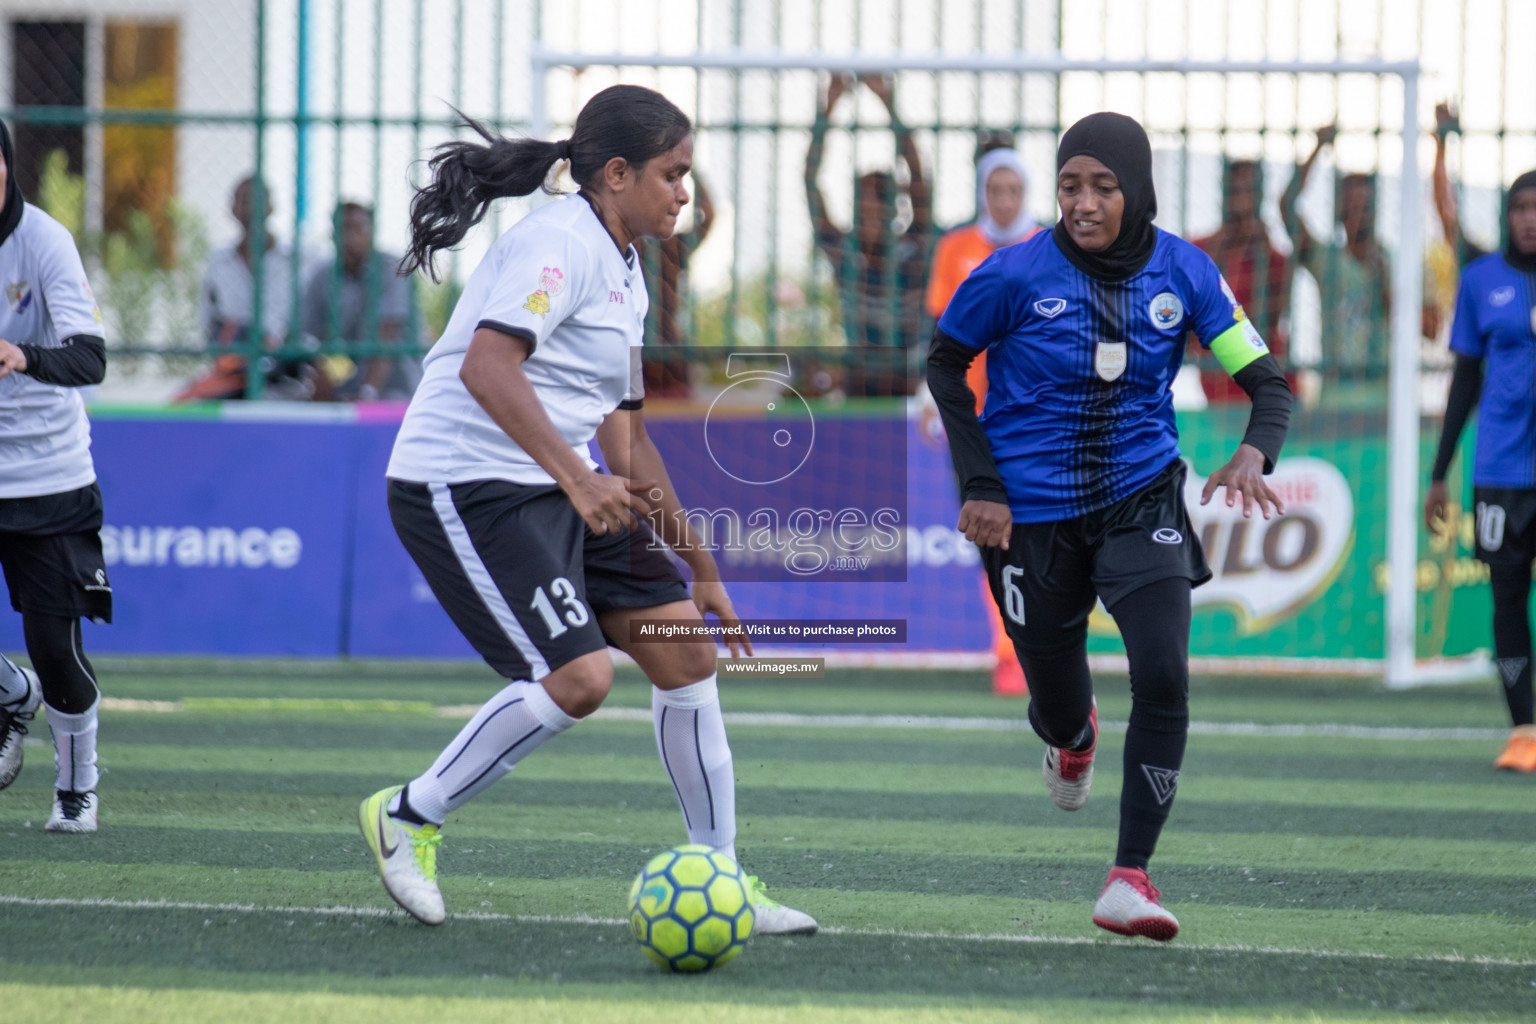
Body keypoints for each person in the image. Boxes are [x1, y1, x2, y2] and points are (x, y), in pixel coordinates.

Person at [363, 85, 817, 935]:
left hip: (557, 484)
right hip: (464, 483)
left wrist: (702, 566)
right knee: (578, 679)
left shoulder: (627, 265)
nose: (685, 191)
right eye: (673, 173)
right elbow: (487, 370)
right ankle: (409, 816)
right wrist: (575, 479)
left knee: (688, 658)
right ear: (616, 174)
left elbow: (628, 441)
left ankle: (722, 884)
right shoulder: (558, 242)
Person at [926, 112, 1292, 940]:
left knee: (1162, 671)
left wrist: (1254, 455)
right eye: (1069, 186)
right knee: (1060, 706)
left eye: (1102, 186)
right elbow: (945, 365)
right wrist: (981, 482)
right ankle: (1071, 738)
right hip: (1030, 518)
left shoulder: (1187, 273)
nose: (1083, 203)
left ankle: (1129, 877)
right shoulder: (1009, 274)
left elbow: (1268, 384)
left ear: (1138, 187)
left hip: (1141, 499)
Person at [0, 119, 113, 833]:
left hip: (47, 477)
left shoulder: (42, 241)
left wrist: (21, 356)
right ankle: (12, 692)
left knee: (57, 650)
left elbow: (90, 359)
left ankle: (77, 787)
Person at [1424, 170, 1536, 772]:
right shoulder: (1481, 280)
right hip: (1499, 473)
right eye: (1520, 207)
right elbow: (1464, 381)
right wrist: (1439, 474)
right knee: (1508, 598)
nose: (1529, 218)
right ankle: (1524, 731)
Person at [924, 145, 1040, 697]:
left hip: (1035, 415)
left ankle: (1040, 646)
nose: (1004, 199)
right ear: (981, 192)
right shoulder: (956, 248)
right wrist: (930, 398)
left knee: (1041, 534)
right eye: (995, 189)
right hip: (970, 421)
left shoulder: (1047, 246)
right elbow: (943, 335)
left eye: (1014, 189)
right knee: (987, 533)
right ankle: (1008, 651)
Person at [805, 73, 933, 396]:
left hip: (909, 381)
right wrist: (828, 110)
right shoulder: (843, 253)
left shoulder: (912, 248)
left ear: (893, 210)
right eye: (863, 211)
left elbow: (917, 176)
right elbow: (810, 182)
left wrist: (888, 104)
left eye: (878, 209)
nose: (870, 218)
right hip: (860, 381)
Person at [180, 177, 331, 401]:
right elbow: (210, 320)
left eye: (257, 200)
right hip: (236, 365)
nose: (250, 208)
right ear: (232, 209)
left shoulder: (304, 258)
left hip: (290, 367)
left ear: (271, 206)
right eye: (243, 201)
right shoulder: (219, 262)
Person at [1189, 159, 1292, 402]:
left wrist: (1263, 253)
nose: (1242, 202)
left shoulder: (1273, 258)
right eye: (1236, 192)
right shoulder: (1199, 251)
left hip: (1265, 386)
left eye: (1249, 192)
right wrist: (1224, 244)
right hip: (1218, 385)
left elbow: (1270, 324)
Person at [301, 201, 421, 401]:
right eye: (342, 228)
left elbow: (386, 338)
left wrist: (367, 392)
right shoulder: (323, 277)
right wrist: (325, 374)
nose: (349, 236)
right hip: (346, 386)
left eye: (357, 228)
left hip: (398, 389)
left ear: (371, 232)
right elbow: (315, 336)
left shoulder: (394, 269)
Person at [640, 173, 713, 398]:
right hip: (656, 343)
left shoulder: (668, 247)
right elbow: (707, 216)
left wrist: (693, 171)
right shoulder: (667, 247)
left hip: (659, 344)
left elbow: (707, 216)